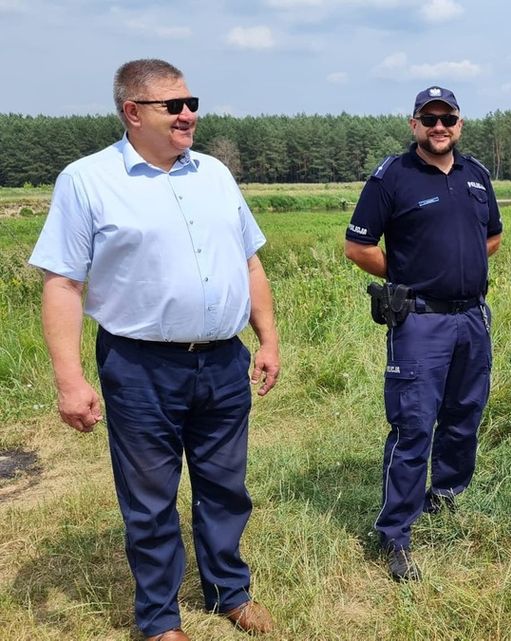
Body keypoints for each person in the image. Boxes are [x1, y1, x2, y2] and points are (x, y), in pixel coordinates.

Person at [28, 59, 278, 641]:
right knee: (149, 498)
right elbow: (62, 283)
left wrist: (267, 337)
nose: (188, 114)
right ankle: (161, 620)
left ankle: (228, 592)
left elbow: (249, 261)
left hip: (222, 359)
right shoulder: (87, 180)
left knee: (224, 485)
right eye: (174, 105)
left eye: (192, 102)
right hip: (141, 366)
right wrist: (70, 379)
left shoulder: (214, 174)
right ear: (132, 112)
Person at [345, 86, 502, 581]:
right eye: (429, 119)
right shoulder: (393, 176)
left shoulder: (476, 175)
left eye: (447, 118)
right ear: (414, 123)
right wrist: (410, 273)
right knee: (413, 426)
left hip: (471, 319)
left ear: (459, 123)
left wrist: (463, 270)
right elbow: (358, 246)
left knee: (463, 416)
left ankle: (448, 498)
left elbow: (492, 236)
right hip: (420, 322)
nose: (439, 127)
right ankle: (395, 534)